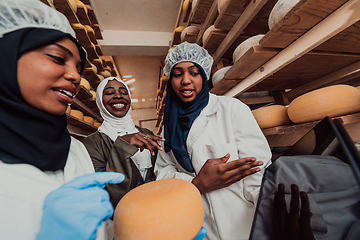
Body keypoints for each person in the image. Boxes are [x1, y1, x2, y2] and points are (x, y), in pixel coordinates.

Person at [0, 1, 125, 239]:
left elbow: (98, 228)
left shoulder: (74, 149)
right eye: (58, 58)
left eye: (79, 67)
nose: (75, 76)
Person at [154, 41, 272, 240]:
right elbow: (163, 172)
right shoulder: (169, 125)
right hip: (196, 224)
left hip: (244, 223)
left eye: (193, 72)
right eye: (177, 74)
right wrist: (196, 184)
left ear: (204, 75)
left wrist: (270, 218)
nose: (185, 80)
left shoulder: (231, 109)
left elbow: (257, 171)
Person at [82, 77, 165, 210]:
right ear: (100, 101)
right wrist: (121, 146)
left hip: (156, 208)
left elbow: (162, 171)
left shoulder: (146, 133)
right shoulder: (91, 144)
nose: (118, 96)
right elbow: (105, 191)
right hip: (122, 217)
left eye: (123, 92)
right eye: (109, 93)